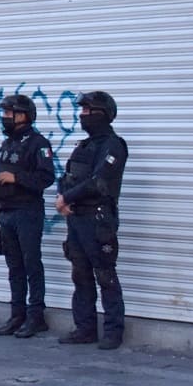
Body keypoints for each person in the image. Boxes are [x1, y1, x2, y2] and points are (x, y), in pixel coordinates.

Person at [55, 91, 128, 350]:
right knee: (80, 274)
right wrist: (62, 197)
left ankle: (113, 331)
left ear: (102, 114)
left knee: (105, 275)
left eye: (87, 111)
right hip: (76, 218)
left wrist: (67, 198)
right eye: (81, 110)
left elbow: (99, 182)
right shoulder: (83, 146)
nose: (82, 115)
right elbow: (66, 177)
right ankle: (85, 328)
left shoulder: (113, 145)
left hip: (98, 220)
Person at [0, 94, 56, 339]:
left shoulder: (38, 143)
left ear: (23, 115)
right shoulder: (7, 144)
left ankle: (36, 316)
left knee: (31, 265)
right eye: (4, 113)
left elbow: (46, 178)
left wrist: (17, 178)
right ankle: (16, 314)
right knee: (13, 266)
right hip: (6, 212)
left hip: (27, 212)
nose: (5, 118)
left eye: (9, 113)